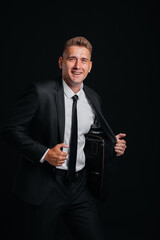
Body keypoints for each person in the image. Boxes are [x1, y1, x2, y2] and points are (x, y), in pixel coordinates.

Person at [0, 36, 127, 240]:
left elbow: (91, 135)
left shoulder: (93, 98)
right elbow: (10, 129)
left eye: (84, 60)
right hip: (45, 186)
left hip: (79, 187)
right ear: (61, 62)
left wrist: (113, 145)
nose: (78, 66)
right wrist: (45, 154)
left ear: (90, 66)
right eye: (72, 59)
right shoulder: (40, 93)